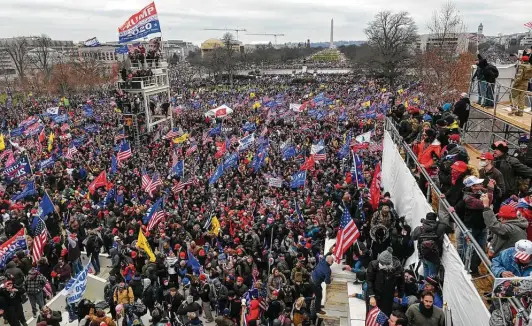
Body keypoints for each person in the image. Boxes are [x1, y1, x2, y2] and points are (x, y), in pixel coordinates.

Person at [366, 247, 404, 318]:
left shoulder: (397, 268)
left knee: (385, 316)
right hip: (374, 293)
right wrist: (371, 296)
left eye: (383, 265)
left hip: (388, 295)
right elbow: (369, 280)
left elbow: (401, 281)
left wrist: (400, 295)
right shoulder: (373, 264)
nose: (381, 266)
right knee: (372, 316)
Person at [411, 212, 450, 277]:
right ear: (435, 219)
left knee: (426, 277)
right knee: (432, 279)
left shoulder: (420, 228)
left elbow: (413, 237)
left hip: (423, 255)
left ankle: (425, 285)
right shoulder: (441, 226)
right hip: (434, 257)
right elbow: (450, 230)